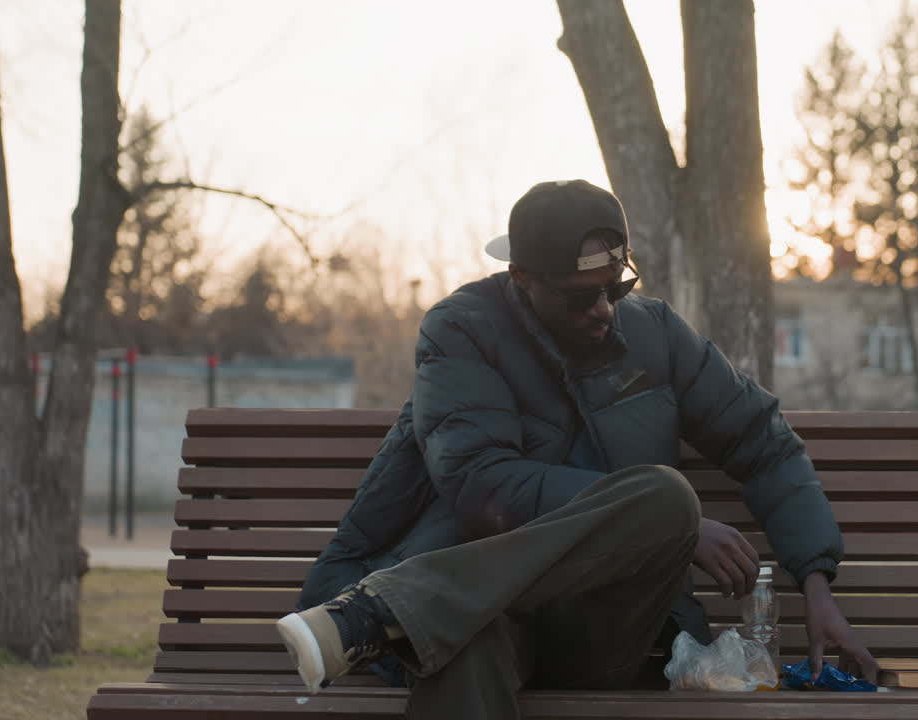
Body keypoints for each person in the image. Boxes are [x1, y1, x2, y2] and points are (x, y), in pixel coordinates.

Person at [276, 179, 878, 718]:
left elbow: (763, 445)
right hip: (493, 614)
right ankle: (408, 613)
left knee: (665, 499)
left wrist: (817, 587)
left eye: (616, 289)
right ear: (522, 279)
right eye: (578, 297)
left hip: (617, 630)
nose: (603, 311)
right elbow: (480, 484)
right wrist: (677, 528)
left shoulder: (655, 333)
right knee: (461, 647)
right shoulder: (462, 331)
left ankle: (389, 612)